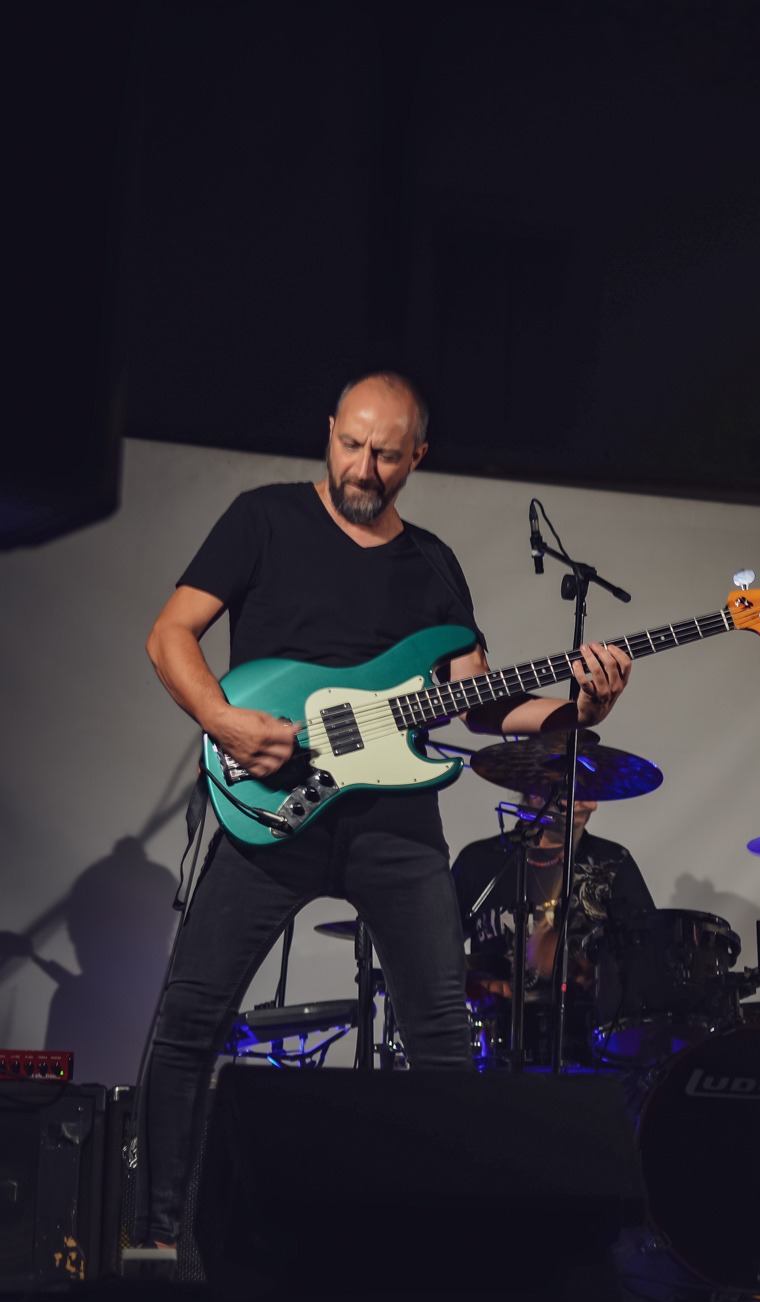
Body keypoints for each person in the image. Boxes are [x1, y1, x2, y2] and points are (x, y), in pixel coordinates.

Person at [136, 371, 633, 1247]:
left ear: (418, 457)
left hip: (394, 826)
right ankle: (157, 1241)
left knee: (441, 1031)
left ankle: (440, 1248)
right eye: (350, 444)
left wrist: (577, 712)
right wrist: (220, 718)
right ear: (329, 430)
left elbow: (477, 704)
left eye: (386, 454)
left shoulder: (433, 564)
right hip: (271, 808)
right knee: (189, 1021)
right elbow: (169, 633)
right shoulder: (264, 518)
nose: (362, 467)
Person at [451, 788, 658, 1066]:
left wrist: (592, 972)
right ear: (535, 790)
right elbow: (435, 953)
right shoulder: (479, 861)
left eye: (590, 791)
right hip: (498, 1053)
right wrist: (476, 982)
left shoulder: (612, 863)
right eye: (577, 789)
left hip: (591, 1056)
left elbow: (649, 959)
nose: (592, 803)